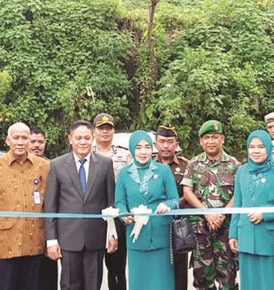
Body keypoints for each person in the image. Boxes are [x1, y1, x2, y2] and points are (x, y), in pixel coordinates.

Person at [45, 120, 117, 290]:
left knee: (94, 285)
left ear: (92, 138)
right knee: (70, 285)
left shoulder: (105, 164)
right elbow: (50, 206)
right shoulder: (57, 165)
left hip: (96, 238)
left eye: (86, 138)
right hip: (68, 239)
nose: (83, 142)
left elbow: (110, 203)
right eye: (78, 138)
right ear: (70, 139)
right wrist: (51, 240)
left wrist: (112, 234)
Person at [0, 122, 50, 290]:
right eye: (16, 138)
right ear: (7, 140)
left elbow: (48, 205)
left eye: (24, 138)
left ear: (29, 141)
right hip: (4, 244)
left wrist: (50, 239)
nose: (20, 142)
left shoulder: (43, 166)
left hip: (35, 242)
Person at [228, 130, 274, 290]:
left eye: (261, 146)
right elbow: (237, 205)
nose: (256, 151)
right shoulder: (242, 171)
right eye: (252, 147)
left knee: (271, 282)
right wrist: (233, 233)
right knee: (249, 282)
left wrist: (266, 214)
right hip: (245, 236)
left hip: (269, 238)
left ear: (268, 147)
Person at [114, 130, 179, 290]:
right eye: (138, 147)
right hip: (136, 237)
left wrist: (167, 205)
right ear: (131, 149)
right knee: (139, 282)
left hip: (160, 235)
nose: (143, 152)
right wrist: (124, 215)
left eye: (147, 147)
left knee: (161, 282)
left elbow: (174, 199)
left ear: (152, 149)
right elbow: (119, 203)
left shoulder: (163, 171)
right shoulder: (124, 174)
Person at [182, 120, 240, 290]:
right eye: (206, 138)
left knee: (227, 276)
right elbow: (187, 192)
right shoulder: (194, 163)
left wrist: (222, 214)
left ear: (222, 139)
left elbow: (239, 194)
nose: (210, 141)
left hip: (226, 227)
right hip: (200, 227)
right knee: (202, 277)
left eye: (215, 137)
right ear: (201, 141)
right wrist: (207, 213)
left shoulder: (234, 165)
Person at [92, 112, 131, 290]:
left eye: (109, 128)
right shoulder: (85, 153)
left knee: (117, 265)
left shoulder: (125, 155)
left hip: (116, 213)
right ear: (94, 131)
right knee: (92, 266)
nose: (105, 132)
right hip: (92, 214)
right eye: (101, 128)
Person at [153, 125, 190, 290]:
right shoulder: (148, 164)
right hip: (154, 222)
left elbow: (190, 192)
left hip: (178, 224)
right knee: (157, 265)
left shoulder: (186, 166)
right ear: (155, 144)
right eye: (162, 142)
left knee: (179, 266)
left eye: (170, 142)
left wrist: (173, 204)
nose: (166, 146)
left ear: (177, 144)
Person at [28, 126, 57, 290]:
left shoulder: (52, 166)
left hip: (46, 232)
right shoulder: (16, 167)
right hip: (23, 235)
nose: (36, 145)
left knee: (47, 280)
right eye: (33, 141)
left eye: (40, 142)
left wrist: (52, 237)